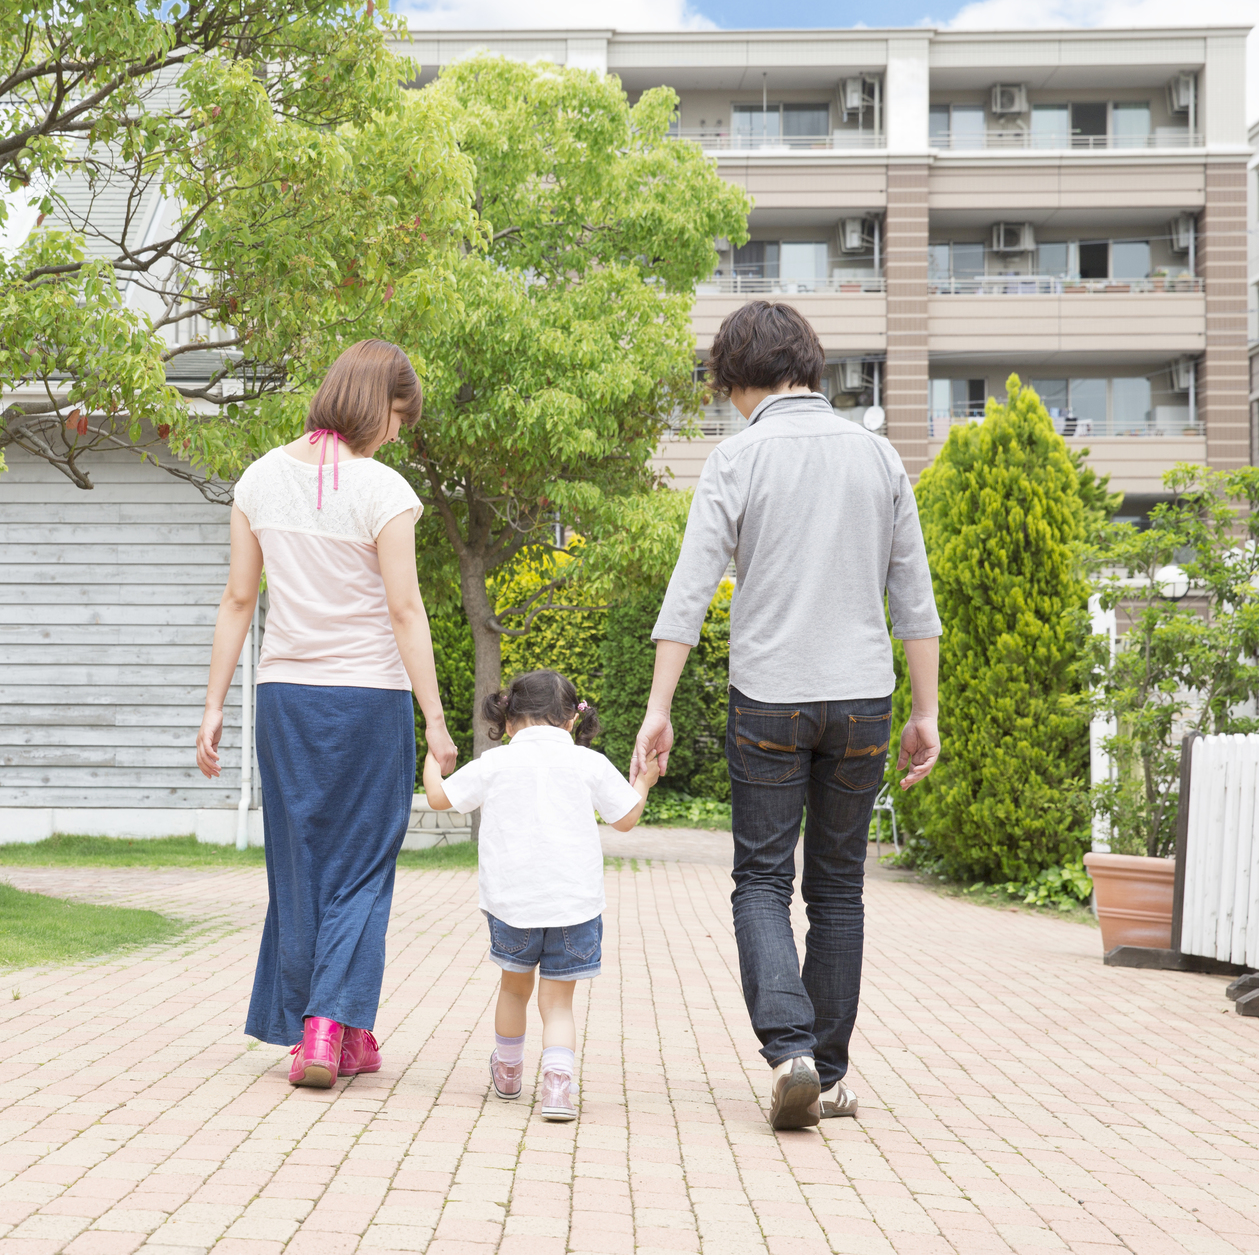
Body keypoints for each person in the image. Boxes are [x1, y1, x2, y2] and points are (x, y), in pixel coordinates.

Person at [631, 301, 942, 1131]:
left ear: (737, 378)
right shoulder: (880, 457)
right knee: (839, 887)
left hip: (769, 695)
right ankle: (829, 1073)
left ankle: (791, 1051)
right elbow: (915, 599)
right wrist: (928, 710)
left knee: (763, 879)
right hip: (865, 699)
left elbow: (687, 594)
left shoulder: (737, 458)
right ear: (810, 363)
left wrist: (658, 708)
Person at [196, 339, 459, 1090]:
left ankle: (340, 1030)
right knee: (363, 867)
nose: (399, 433)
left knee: (300, 863)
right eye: (400, 417)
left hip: (284, 697)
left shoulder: (257, 479)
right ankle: (326, 1025)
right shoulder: (384, 491)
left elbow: (238, 600)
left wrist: (214, 705)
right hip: (370, 699)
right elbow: (406, 611)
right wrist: (435, 720)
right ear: (379, 405)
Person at [421, 670, 655, 1122]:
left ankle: (508, 1073)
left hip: (512, 905)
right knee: (558, 1002)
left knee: (513, 989)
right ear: (571, 721)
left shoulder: (495, 762)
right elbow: (625, 819)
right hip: (574, 906)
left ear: (508, 721)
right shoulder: (588, 762)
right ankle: (557, 1090)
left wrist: (436, 759)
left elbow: (437, 797)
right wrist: (644, 782)